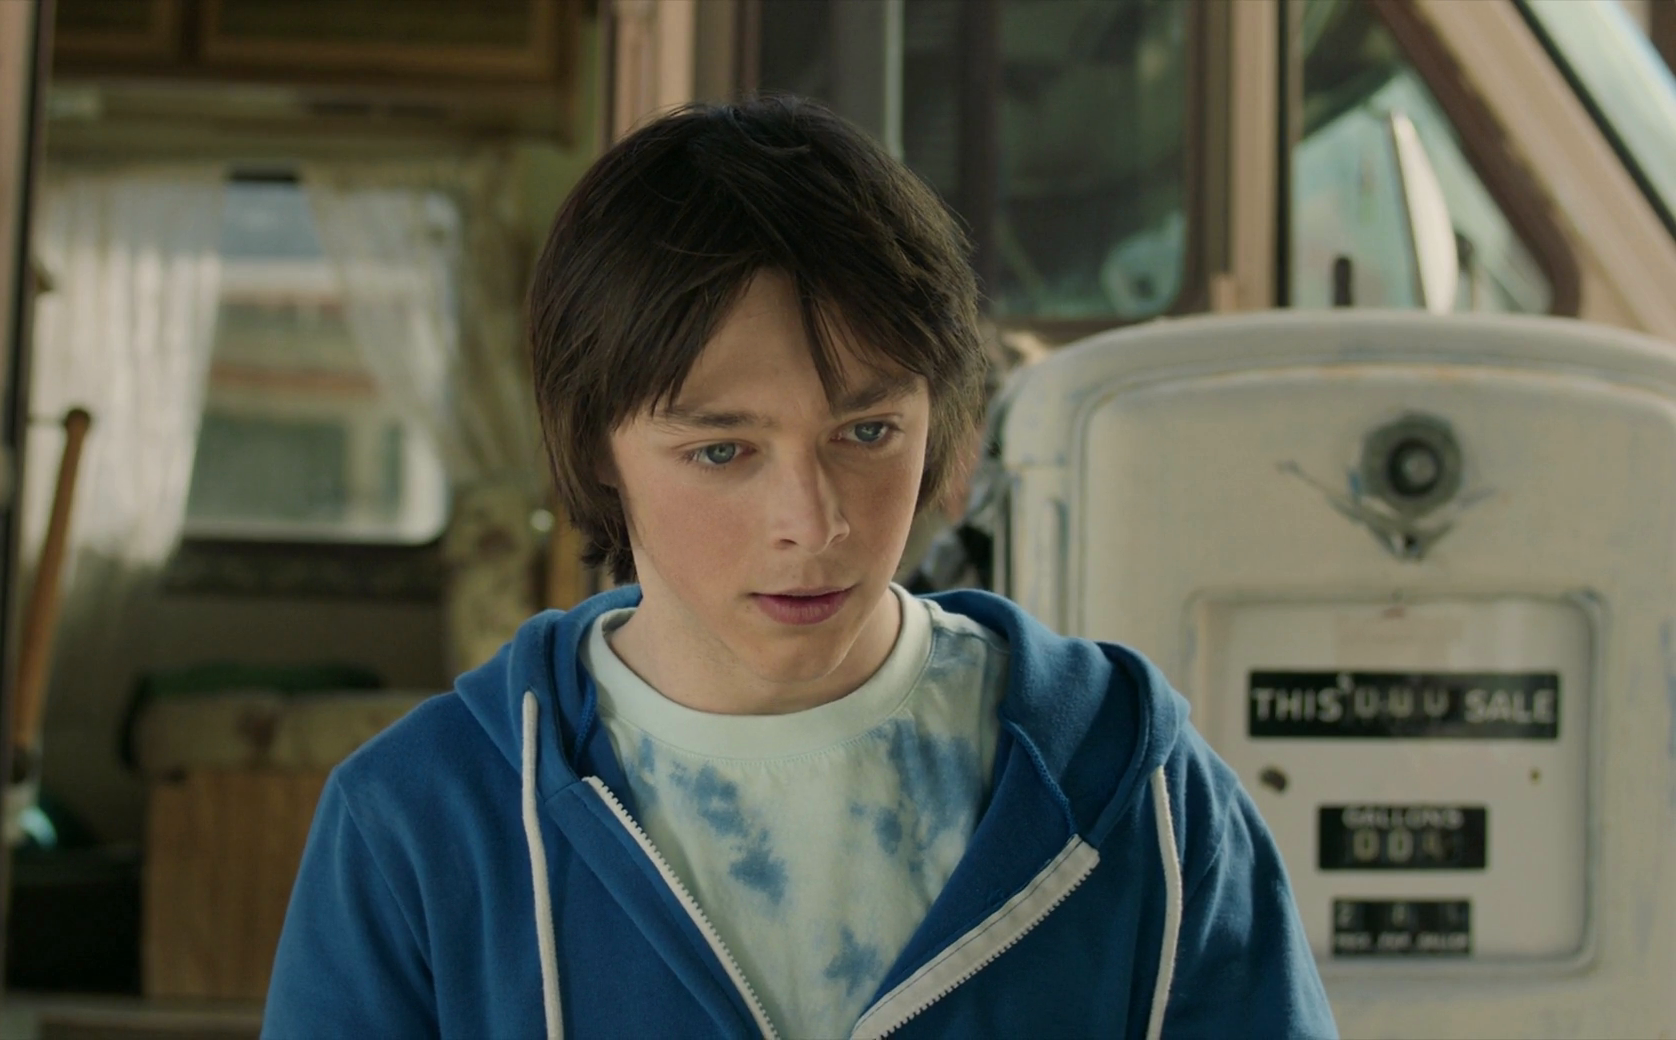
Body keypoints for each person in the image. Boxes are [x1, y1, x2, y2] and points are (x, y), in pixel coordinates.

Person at [262, 96, 1336, 1040]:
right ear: (595, 449)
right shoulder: (423, 825)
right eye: (722, 451)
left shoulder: (1133, 786)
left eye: (867, 433)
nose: (813, 523)